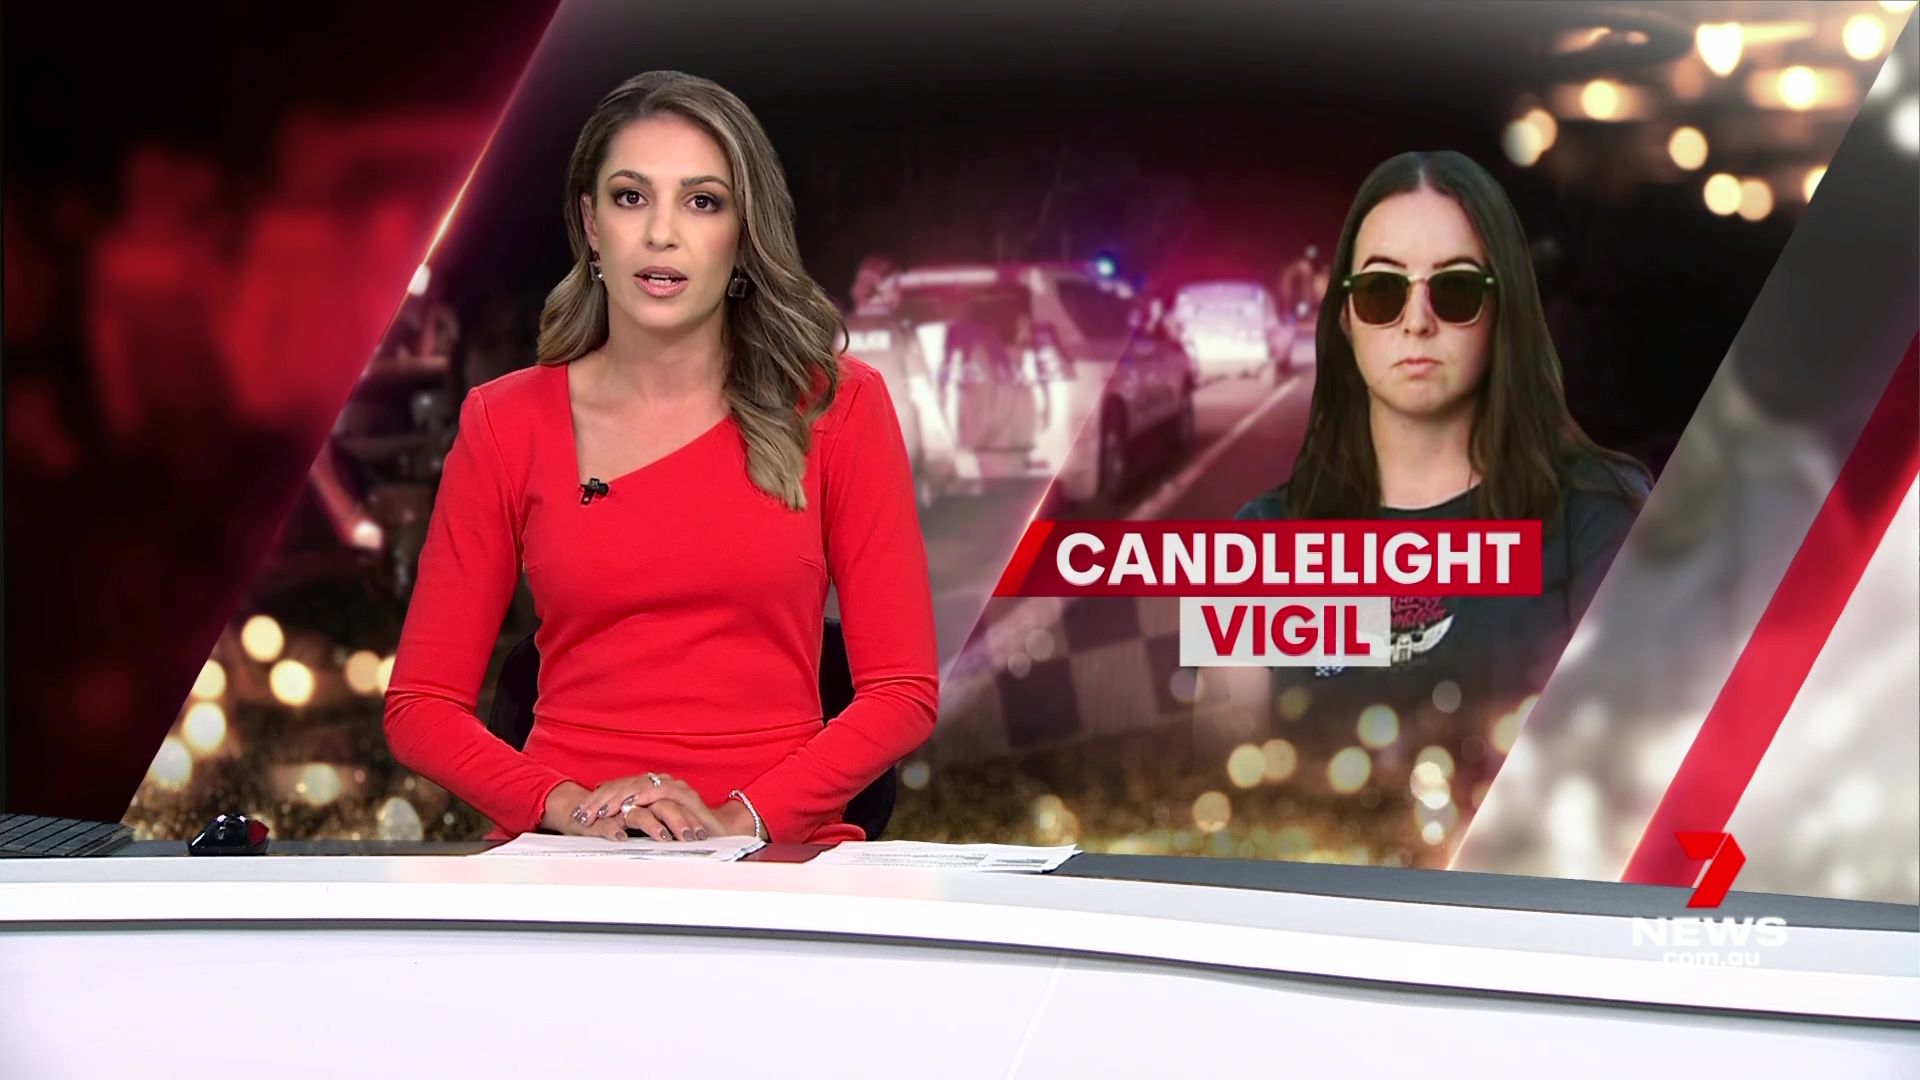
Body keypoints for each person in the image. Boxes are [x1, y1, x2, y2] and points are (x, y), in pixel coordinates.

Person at [384, 71, 938, 845]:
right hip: (568, 855)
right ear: (592, 223)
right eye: (631, 197)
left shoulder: (839, 407)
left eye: (702, 201)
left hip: (771, 852)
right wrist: (571, 808)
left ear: (742, 233)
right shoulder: (504, 422)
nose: (661, 234)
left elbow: (902, 691)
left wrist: (735, 820)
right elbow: (420, 708)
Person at [1238, 151, 1647, 845]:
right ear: (1346, 317)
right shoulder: (1260, 538)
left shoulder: (1601, 519)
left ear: (1503, 309)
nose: (1417, 321)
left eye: (1455, 290)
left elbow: (1634, 793)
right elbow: (1221, 798)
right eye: (1381, 291)